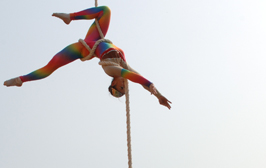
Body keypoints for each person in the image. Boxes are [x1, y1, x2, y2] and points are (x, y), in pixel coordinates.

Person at [4, 6, 171, 109]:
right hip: (95, 39)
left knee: (49, 68)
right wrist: (158, 95)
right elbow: (138, 76)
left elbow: (135, 77)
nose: (124, 86)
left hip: (83, 49)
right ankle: (70, 17)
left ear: (113, 83)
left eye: (121, 88)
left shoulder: (111, 70)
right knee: (105, 10)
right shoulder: (122, 66)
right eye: (124, 89)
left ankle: (20, 80)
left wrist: (149, 86)